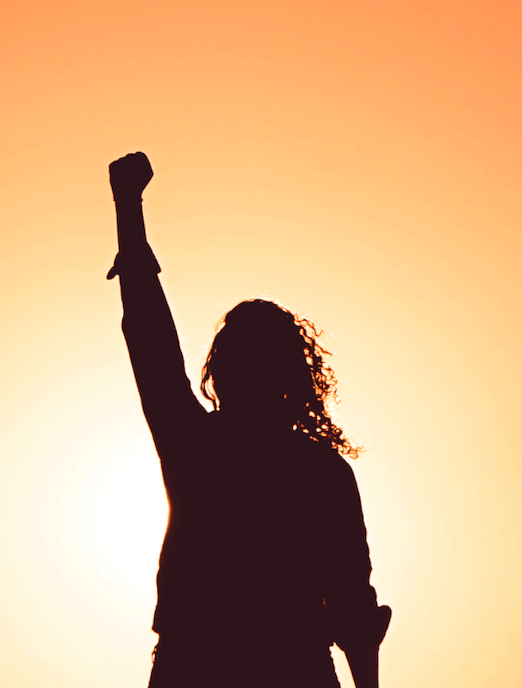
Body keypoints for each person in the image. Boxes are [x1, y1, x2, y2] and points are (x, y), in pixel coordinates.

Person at [106, 151, 391, 688]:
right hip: (276, 666)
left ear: (222, 369)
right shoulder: (320, 471)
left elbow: (150, 340)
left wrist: (128, 207)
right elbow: (354, 608)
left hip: (203, 666)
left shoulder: (193, 443)